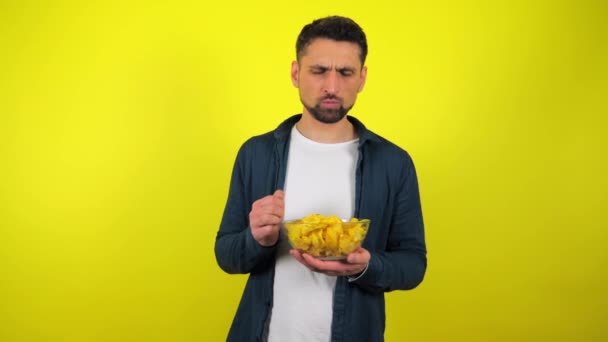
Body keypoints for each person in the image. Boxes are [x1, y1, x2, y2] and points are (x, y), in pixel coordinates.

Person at [215, 15, 427, 342]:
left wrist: (366, 266)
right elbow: (226, 255)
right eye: (318, 71)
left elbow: (413, 265)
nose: (331, 86)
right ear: (296, 73)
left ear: (362, 78)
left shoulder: (393, 163)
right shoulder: (255, 154)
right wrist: (256, 238)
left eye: (345, 73)